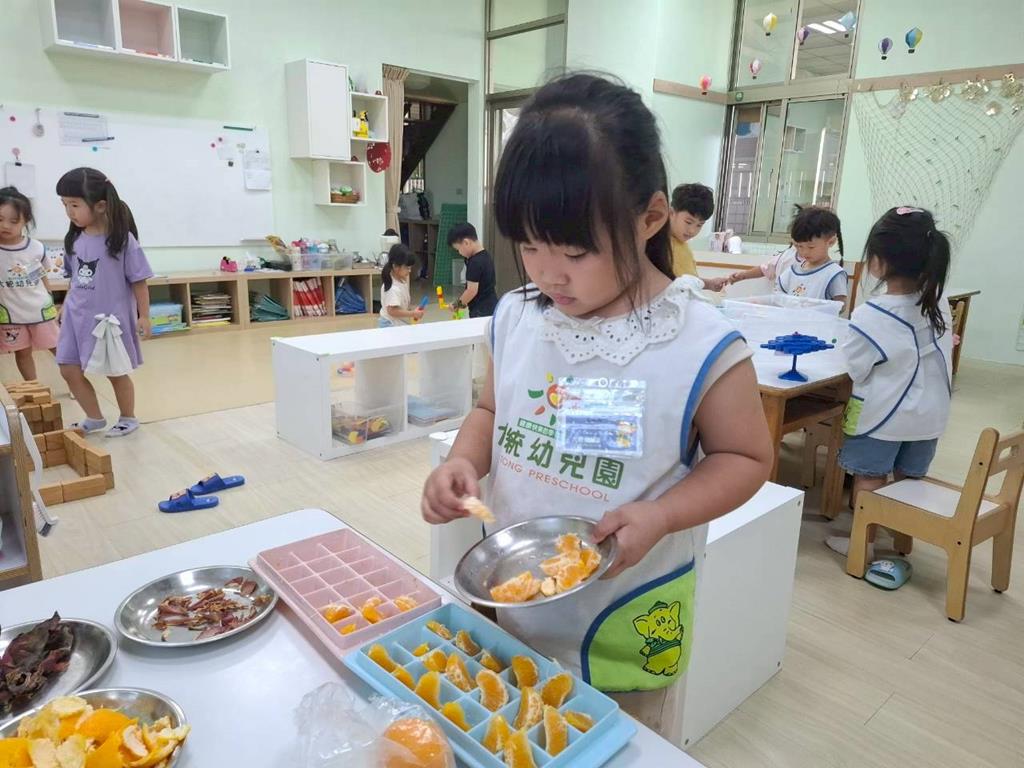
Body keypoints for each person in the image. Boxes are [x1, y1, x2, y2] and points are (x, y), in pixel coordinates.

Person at [420, 74, 773, 739]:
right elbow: (491, 411)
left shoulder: (698, 340)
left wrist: (663, 515)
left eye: (575, 252)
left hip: (621, 624)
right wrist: (462, 461)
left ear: (650, 218)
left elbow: (747, 456)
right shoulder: (519, 318)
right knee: (515, 738)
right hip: (510, 603)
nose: (547, 273)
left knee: (610, 748)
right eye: (529, 246)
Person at [826, 206, 953, 557]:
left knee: (870, 477)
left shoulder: (871, 314)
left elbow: (856, 369)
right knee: (909, 478)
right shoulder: (938, 299)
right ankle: (901, 539)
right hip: (930, 416)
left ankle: (862, 546)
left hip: (884, 417)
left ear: (878, 262)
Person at [55, 167, 153, 437]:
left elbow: (139, 281)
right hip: (75, 317)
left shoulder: (122, 241)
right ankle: (94, 417)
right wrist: (65, 305)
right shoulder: (74, 240)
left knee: (115, 372)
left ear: (99, 206)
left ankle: (128, 418)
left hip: (108, 321)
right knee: (68, 368)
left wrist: (144, 315)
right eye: (64, 205)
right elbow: (75, 278)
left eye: (74, 205)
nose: (69, 211)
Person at [729, 206, 848, 307]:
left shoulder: (834, 274)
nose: (804, 252)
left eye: (811, 247)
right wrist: (760, 303)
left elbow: (840, 306)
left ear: (831, 242)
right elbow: (779, 298)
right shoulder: (792, 270)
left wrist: (817, 307)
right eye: (799, 246)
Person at [0, 187, 59, 381]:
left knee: (57, 347)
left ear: (25, 220)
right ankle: (33, 387)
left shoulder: (35, 248)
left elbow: (40, 276)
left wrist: (50, 298)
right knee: (22, 353)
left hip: (39, 309)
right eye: (0, 219)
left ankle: (75, 383)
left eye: (13, 221)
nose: (5, 225)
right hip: (11, 315)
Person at [668, 183, 728, 292]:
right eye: (688, 222)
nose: (692, 231)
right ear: (671, 213)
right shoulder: (659, 244)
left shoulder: (682, 245)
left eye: (699, 225)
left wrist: (710, 284)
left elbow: (689, 280)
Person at [447, 223, 497, 317]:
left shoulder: (475, 262)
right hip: (491, 305)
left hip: (480, 310)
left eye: (458, 250)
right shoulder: (485, 255)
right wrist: (464, 301)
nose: (459, 253)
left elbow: (471, 291)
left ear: (466, 242)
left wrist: (456, 305)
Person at [378, 244, 424, 327]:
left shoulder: (401, 280)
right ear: (395, 266)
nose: (409, 271)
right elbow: (392, 311)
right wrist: (413, 313)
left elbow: (400, 304)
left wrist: (412, 311)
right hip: (390, 325)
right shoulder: (393, 288)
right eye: (407, 268)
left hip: (397, 322)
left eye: (410, 268)